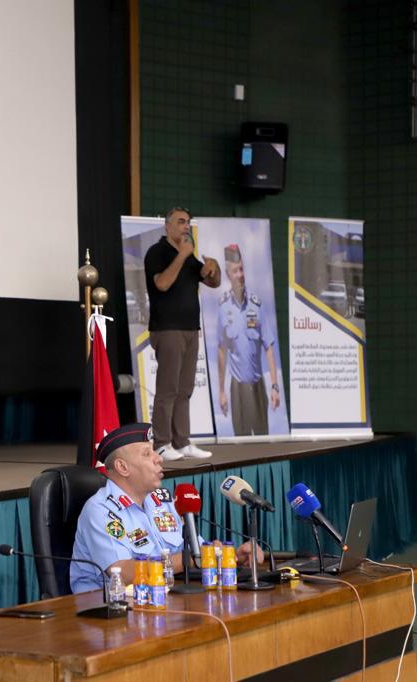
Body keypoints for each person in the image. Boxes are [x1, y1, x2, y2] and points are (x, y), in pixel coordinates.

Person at [70, 423, 262, 593]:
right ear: (122, 467)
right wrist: (189, 559)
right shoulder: (101, 510)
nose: (158, 458)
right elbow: (122, 572)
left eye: (154, 451)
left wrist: (230, 556)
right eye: (147, 454)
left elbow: (196, 549)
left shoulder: (162, 501)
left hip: (162, 597)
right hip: (108, 611)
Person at [144, 207, 221, 460]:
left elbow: (212, 281)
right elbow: (162, 283)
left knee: (184, 389)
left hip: (190, 329)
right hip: (167, 329)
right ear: (167, 226)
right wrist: (183, 255)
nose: (186, 226)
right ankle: (162, 443)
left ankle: (182, 442)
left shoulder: (188, 256)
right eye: (180, 222)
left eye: (188, 222)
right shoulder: (158, 252)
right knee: (168, 388)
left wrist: (213, 266)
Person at [216, 244, 280, 435]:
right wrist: (221, 392)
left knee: (263, 440)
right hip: (237, 388)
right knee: (240, 444)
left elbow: (269, 347)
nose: (240, 274)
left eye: (242, 269)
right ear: (228, 274)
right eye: (236, 271)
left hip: (258, 386)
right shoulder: (223, 308)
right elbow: (221, 352)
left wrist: (275, 387)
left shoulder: (257, 305)